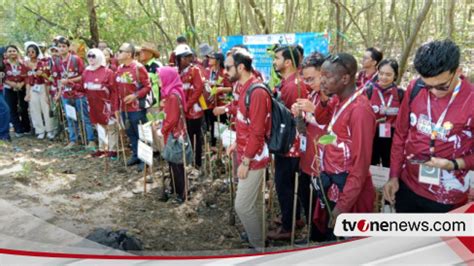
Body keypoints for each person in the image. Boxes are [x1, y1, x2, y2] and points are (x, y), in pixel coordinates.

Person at [384, 39, 474, 213]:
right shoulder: (415, 88)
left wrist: (454, 164)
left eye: (441, 86)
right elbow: (401, 134)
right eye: (428, 86)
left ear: (458, 72)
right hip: (407, 185)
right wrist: (393, 176)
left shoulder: (470, 100)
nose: (434, 92)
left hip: (447, 196)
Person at [313, 53, 375, 239]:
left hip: (348, 191)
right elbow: (323, 121)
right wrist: (324, 99)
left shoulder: (360, 111)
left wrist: (343, 205)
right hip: (333, 184)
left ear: (345, 78)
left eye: (327, 76)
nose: (321, 81)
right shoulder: (338, 99)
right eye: (321, 75)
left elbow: (360, 164)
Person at [226, 47, 271, 250]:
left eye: (228, 68)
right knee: (255, 202)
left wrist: (246, 161)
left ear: (241, 67)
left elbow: (258, 131)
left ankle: (258, 248)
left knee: (242, 206)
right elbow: (246, 123)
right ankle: (260, 238)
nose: (225, 72)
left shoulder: (257, 91)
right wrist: (237, 142)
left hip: (254, 158)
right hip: (248, 152)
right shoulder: (244, 88)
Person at [267, 45, 308, 240]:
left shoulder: (293, 86)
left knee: (284, 184)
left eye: (277, 58)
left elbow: (291, 121)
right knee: (292, 184)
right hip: (291, 144)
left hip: (289, 145)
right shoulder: (289, 82)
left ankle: (287, 226)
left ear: (288, 62)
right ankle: (293, 217)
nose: (275, 62)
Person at [291, 52, 328, 240]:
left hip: (325, 164)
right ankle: (312, 238)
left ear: (325, 72)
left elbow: (337, 130)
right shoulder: (312, 95)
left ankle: (323, 242)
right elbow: (305, 129)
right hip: (307, 160)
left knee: (323, 208)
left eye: (312, 78)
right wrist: (298, 115)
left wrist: (314, 111)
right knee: (308, 201)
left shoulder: (336, 97)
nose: (309, 83)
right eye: (305, 79)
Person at [52, 37, 95, 149]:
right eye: (59, 46)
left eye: (64, 46)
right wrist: (58, 93)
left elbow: (83, 75)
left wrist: (70, 81)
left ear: (68, 47)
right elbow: (58, 80)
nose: (61, 48)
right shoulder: (56, 61)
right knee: (70, 118)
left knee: (85, 117)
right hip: (65, 94)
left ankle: (90, 140)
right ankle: (73, 140)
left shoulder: (76, 59)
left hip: (79, 93)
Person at [115, 43, 151, 172]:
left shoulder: (138, 67)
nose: (118, 53)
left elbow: (148, 86)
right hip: (124, 109)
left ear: (129, 54)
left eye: (121, 51)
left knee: (141, 134)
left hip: (137, 109)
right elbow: (116, 90)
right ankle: (136, 155)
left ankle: (145, 160)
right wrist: (116, 108)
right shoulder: (119, 69)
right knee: (131, 133)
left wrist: (135, 96)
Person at [157, 66, 188, 204]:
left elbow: (172, 118)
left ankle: (182, 193)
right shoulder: (171, 93)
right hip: (173, 133)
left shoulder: (173, 96)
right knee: (173, 162)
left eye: (160, 77)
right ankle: (175, 188)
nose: (158, 80)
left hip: (174, 134)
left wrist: (162, 129)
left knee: (176, 164)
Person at [366, 59, 403, 167]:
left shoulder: (400, 94)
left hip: (389, 132)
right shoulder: (369, 90)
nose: (383, 77)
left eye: (388, 74)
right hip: (371, 132)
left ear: (395, 76)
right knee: (371, 160)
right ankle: (371, 183)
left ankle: (388, 181)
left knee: (388, 160)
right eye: (381, 73)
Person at [82, 48, 118, 159]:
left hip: (106, 104)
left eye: (94, 56)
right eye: (89, 56)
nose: (91, 59)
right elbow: (82, 87)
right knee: (99, 126)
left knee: (111, 126)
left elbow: (114, 91)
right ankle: (103, 148)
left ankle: (113, 150)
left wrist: (114, 106)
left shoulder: (108, 72)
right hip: (93, 104)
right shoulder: (86, 71)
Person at [175, 44, 205, 169]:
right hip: (182, 110)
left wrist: (187, 105)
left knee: (195, 137)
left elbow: (198, 90)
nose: (187, 60)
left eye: (189, 57)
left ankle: (197, 163)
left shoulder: (195, 70)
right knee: (185, 135)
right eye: (184, 57)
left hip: (194, 110)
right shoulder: (177, 71)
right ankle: (187, 159)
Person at [24, 42, 55, 140]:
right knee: (34, 109)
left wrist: (47, 94)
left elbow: (48, 78)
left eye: (33, 51)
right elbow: (27, 80)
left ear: (37, 52)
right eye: (29, 52)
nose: (31, 53)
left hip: (43, 86)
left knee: (46, 107)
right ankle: (40, 130)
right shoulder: (26, 64)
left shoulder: (43, 62)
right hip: (33, 87)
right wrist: (27, 93)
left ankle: (50, 130)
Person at [203, 52, 231, 147]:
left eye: (212, 58)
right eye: (209, 57)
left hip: (221, 103)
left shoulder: (224, 73)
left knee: (223, 125)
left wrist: (220, 89)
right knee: (213, 125)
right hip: (210, 103)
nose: (209, 59)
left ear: (218, 60)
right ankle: (214, 147)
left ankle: (224, 147)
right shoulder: (206, 71)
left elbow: (230, 88)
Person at [3, 45, 31, 137]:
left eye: (14, 51)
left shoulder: (23, 63)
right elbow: (2, 77)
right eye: (10, 51)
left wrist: (21, 84)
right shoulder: (3, 64)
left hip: (22, 88)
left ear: (17, 52)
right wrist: (12, 84)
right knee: (12, 109)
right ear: (6, 53)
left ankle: (26, 128)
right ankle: (18, 129)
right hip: (9, 89)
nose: (12, 53)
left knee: (24, 108)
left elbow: (27, 76)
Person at [139, 42, 162, 109]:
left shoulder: (157, 65)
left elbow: (162, 84)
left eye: (143, 52)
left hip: (155, 103)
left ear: (150, 54)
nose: (141, 54)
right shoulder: (141, 66)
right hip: (143, 103)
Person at [0, 47, 11, 141]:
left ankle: (4, 134)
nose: (6, 54)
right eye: (5, 53)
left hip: (1, 89)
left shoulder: (5, 63)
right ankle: (3, 134)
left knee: (4, 110)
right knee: (5, 110)